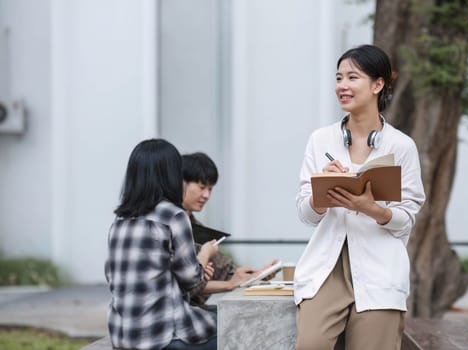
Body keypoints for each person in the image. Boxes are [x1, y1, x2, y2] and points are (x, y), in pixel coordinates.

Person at [294, 44, 426, 350]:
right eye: (338, 78)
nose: (342, 86)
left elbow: (406, 219)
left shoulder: (401, 146)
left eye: (352, 77)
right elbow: (305, 214)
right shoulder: (320, 140)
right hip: (326, 267)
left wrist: (371, 209)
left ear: (378, 84)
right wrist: (321, 192)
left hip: (380, 267)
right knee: (310, 344)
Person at [105, 139, 219, 350]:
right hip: (162, 338)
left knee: (216, 316)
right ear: (172, 176)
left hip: (123, 336)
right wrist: (204, 255)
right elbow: (192, 281)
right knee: (238, 327)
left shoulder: (119, 222)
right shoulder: (173, 216)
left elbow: (112, 277)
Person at [182, 152, 279, 305]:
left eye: (210, 189)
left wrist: (255, 275)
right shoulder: (172, 226)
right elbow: (185, 284)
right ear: (181, 183)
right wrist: (229, 282)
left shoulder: (196, 227)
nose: (206, 195)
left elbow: (226, 269)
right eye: (202, 187)